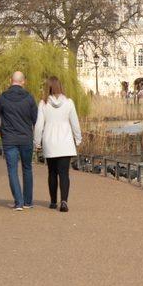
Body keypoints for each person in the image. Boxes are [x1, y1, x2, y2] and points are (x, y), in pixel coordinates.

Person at [0, 71, 38, 211]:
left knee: (12, 170)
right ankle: (28, 201)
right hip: (25, 138)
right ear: (23, 81)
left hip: (9, 138)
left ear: (11, 80)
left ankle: (18, 202)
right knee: (27, 168)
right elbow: (36, 119)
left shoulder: (2, 98)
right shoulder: (29, 98)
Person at [33, 76, 81, 213]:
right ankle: (64, 201)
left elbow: (39, 125)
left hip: (49, 140)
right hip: (65, 142)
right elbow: (75, 122)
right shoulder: (69, 102)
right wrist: (78, 139)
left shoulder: (43, 104)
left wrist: (37, 141)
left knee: (52, 172)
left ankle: (53, 201)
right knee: (64, 173)